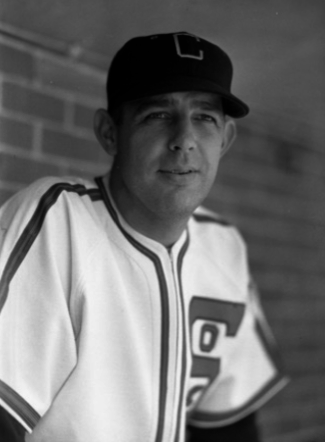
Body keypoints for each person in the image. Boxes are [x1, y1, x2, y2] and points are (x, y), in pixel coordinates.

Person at [0, 31, 288, 442]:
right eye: (157, 115)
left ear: (224, 139)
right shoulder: (58, 221)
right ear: (109, 132)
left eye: (204, 117)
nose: (184, 140)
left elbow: (228, 426)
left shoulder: (223, 246)